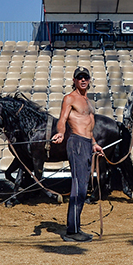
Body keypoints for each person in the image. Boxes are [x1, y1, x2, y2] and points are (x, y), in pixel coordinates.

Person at [52, 66, 104, 242]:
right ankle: (72, 231)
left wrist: (95, 144)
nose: (83, 80)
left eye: (85, 77)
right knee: (78, 187)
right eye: (79, 77)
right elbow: (62, 120)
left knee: (83, 187)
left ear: (89, 80)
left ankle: (75, 227)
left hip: (88, 144)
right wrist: (60, 132)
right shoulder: (70, 98)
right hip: (76, 143)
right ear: (74, 80)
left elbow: (89, 126)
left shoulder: (89, 102)